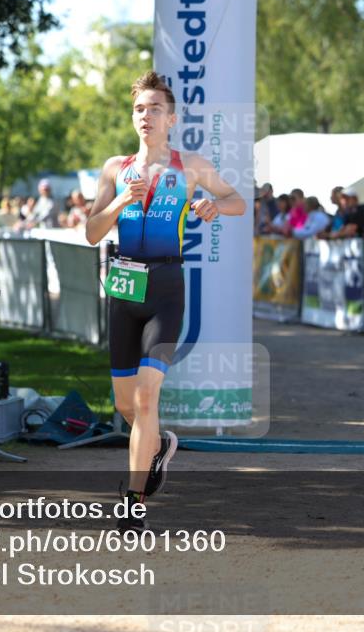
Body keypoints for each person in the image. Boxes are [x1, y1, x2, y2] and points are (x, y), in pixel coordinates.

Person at [85, 71, 245, 532]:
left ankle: (132, 501)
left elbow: (236, 200)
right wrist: (119, 203)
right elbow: (93, 232)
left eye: (155, 108)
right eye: (139, 108)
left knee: (146, 397)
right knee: (126, 408)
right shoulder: (115, 169)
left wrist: (214, 207)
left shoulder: (189, 166)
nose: (146, 115)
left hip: (166, 289)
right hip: (124, 288)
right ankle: (157, 446)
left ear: (171, 119)